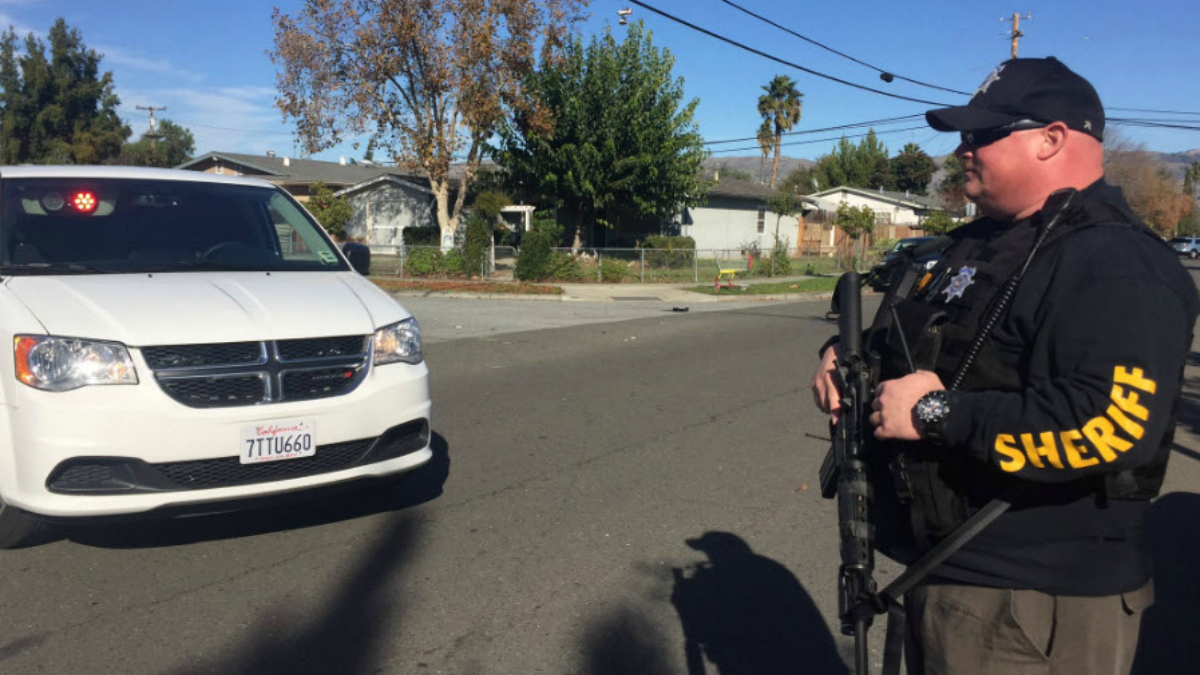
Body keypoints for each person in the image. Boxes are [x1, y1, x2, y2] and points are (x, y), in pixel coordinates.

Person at [810, 57, 1199, 675]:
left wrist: (938, 414)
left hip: (1033, 604)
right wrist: (839, 359)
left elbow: (1110, 425)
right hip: (940, 573)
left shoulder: (1115, 263)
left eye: (985, 133)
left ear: (1052, 138)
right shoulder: (976, 246)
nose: (964, 149)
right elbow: (900, 341)